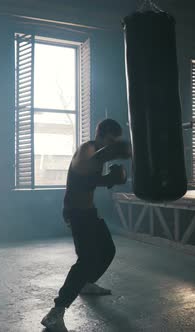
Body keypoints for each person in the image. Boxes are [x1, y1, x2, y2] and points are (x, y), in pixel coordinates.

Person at [41, 119, 131, 332]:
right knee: (87, 259)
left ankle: (87, 284)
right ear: (100, 135)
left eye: (114, 143)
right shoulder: (87, 149)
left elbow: (92, 180)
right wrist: (108, 172)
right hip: (76, 213)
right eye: (110, 141)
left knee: (108, 250)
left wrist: (109, 178)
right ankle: (55, 312)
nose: (111, 145)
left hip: (89, 212)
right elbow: (83, 172)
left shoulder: (99, 155)